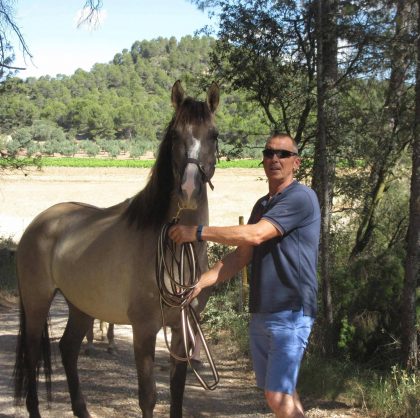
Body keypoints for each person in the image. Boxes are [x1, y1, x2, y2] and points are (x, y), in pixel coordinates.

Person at [169, 133, 321, 418]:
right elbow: (241, 256)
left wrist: (198, 232)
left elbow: (256, 233)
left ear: (296, 162)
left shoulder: (301, 197)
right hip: (263, 312)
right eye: (269, 153)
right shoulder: (263, 205)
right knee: (283, 394)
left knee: (276, 396)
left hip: (291, 312)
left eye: (283, 154)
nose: (275, 159)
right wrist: (200, 281)